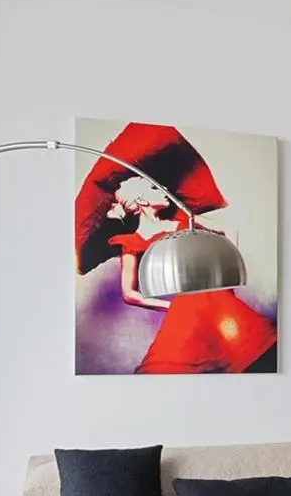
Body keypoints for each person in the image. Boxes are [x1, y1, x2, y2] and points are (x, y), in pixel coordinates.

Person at [75, 124, 276, 374]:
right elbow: (129, 294)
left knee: (256, 355)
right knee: (172, 366)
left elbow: (228, 232)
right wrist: (169, 307)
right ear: (141, 200)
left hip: (221, 303)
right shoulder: (131, 242)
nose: (166, 191)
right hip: (188, 314)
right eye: (154, 188)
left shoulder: (185, 221)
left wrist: (229, 273)